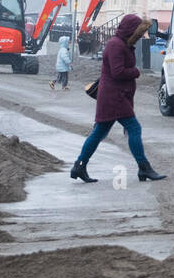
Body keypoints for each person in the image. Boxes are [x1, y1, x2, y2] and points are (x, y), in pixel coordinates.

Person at [70, 14, 166, 183]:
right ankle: (144, 168)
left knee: (99, 132)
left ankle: (79, 165)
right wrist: (136, 72)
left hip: (115, 96)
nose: (140, 36)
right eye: (138, 32)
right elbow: (118, 72)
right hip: (114, 97)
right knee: (134, 129)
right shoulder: (116, 45)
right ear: (130, 30)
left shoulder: (122, 44)